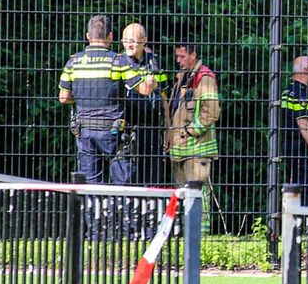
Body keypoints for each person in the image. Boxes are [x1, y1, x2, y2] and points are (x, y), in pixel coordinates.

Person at [58, 14, 156, 185]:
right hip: (113, 131)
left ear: (88, 36)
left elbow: (64, 97)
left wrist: (83, 97)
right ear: (110, 36)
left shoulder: (73, 61)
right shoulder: (117, 60)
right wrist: (152, 77)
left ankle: (91, 211)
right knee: (123, 184)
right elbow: (145, 89)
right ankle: (120, 209)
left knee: (89, 184)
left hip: (84, 131)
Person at [167, 42, 220, 229]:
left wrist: (190, 131)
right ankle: (187, 232)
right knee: (183, 194)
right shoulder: (183, 78)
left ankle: (201, 237)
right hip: (180, 149)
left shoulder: (203, 77)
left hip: (197, 149)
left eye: (182, 57)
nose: (178, 61)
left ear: (193, 55)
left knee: (199, 195)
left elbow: (212, 112)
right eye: (177, 56)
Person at [120, 23, 170, 187]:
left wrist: (169, 128)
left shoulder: (154, 62)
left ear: (144, 41)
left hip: (152, 128)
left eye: (133, 40)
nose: (129, 44)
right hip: (127, 129)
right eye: (125, 40)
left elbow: (164, 96)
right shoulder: (119, 62)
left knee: (153, 179)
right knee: (129, 179)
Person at [280, 56, 308, 200]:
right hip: (301, 150)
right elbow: (303, 123)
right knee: (307, 192)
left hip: (289, 147)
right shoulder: (301, 93)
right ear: (304, 70)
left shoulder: (288, 90)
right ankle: (306, 221)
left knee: (293, 188)